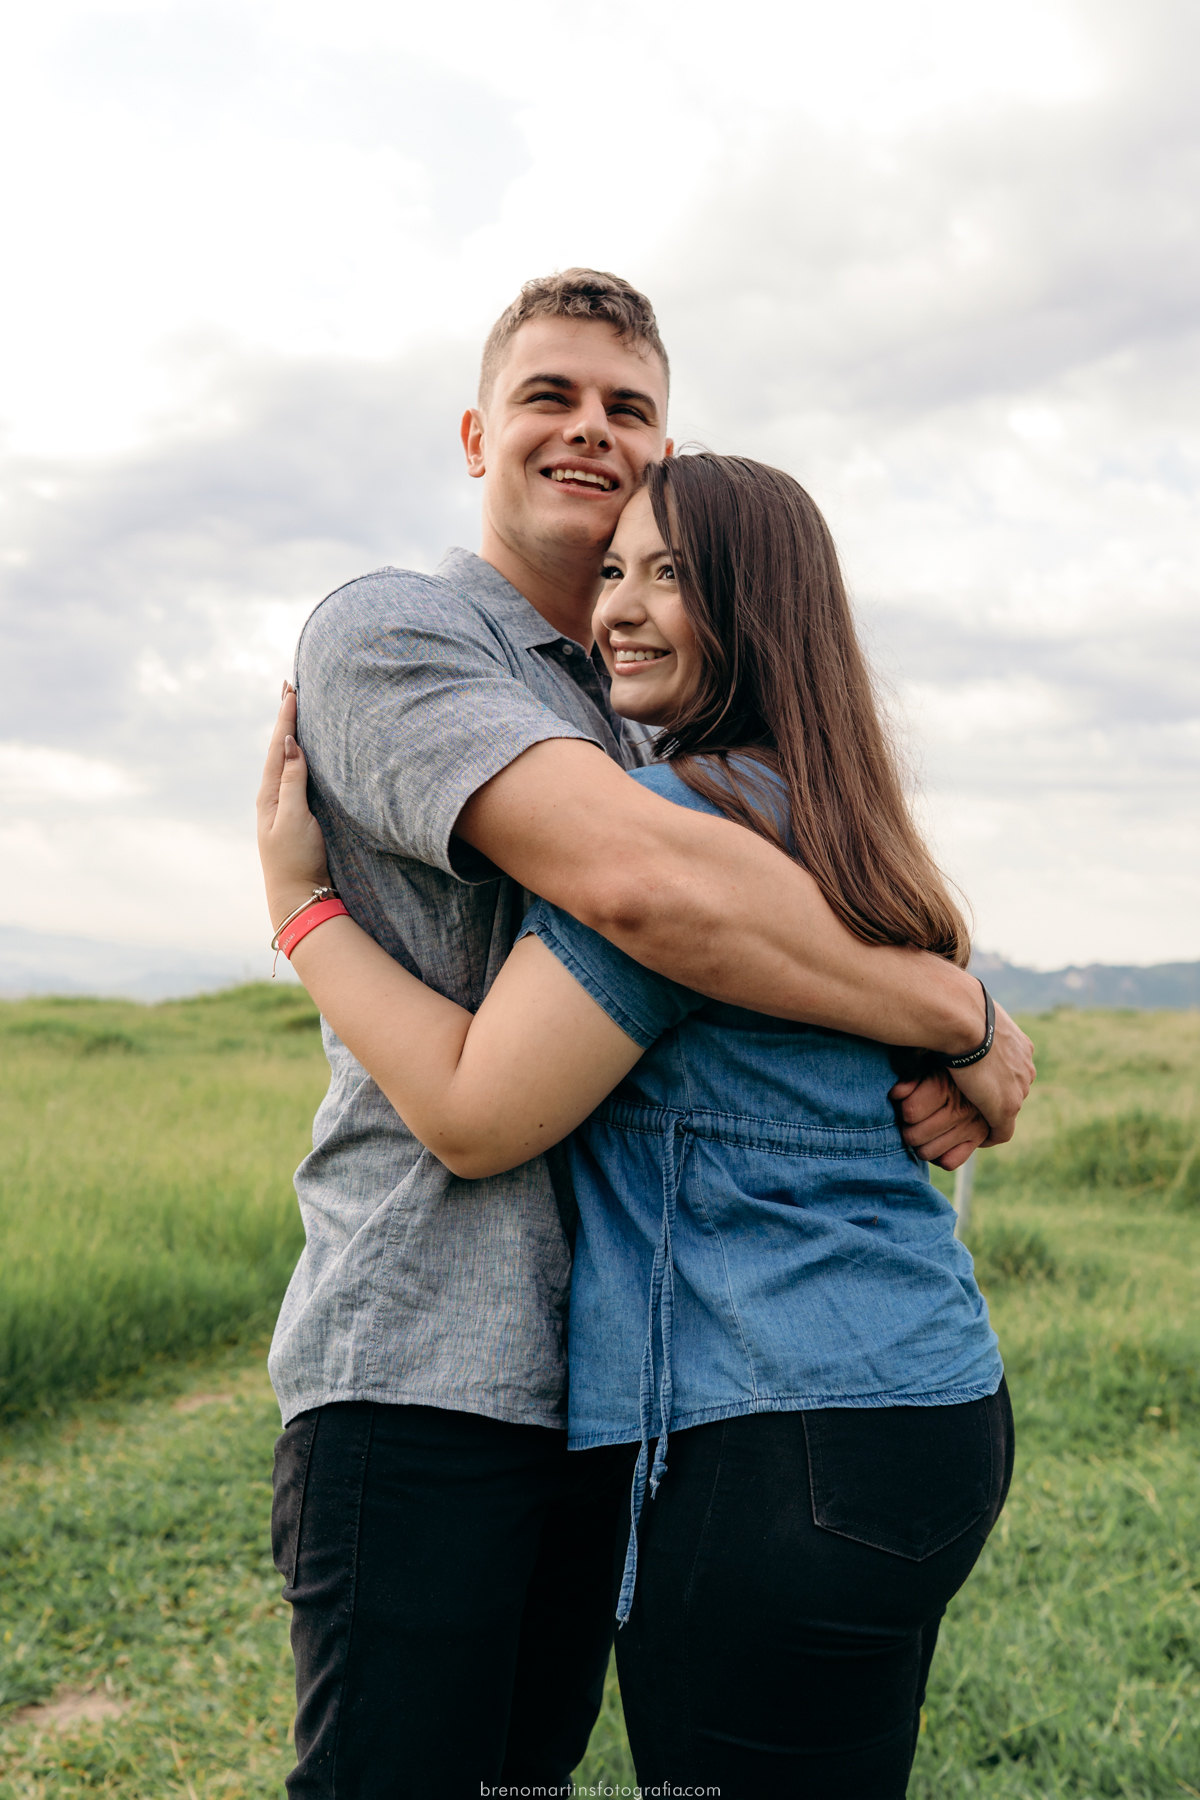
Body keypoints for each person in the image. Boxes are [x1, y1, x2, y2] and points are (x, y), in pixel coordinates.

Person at [262, 270, 1034, 1798]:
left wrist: (975, 1004)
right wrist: (951, 1005)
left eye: (630, 409)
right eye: (550, 396)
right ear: (479, 433)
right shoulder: (397, 635)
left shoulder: (668, 738)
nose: (590, 431)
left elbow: (750, 881)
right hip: (431, 1356)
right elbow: (648, 888)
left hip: (635, 1391)